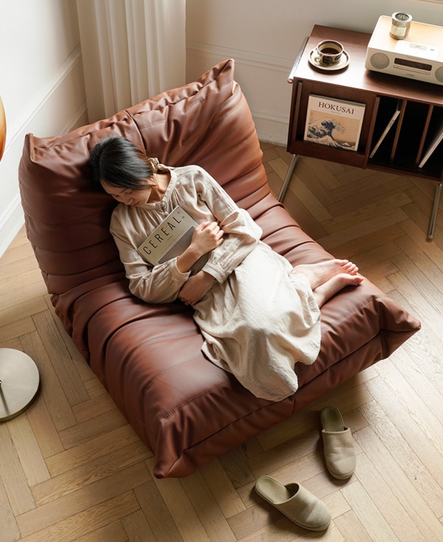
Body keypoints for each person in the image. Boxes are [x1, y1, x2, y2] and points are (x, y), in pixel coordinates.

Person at [89, 136, 363, 401]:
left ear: (146, 168)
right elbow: (141, 287)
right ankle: (303, 283)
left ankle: (309, 284)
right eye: (115, 195)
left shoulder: (192, 179)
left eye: (129, 189)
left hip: (239, 259)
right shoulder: (121, 222)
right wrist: (191, 255)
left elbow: (243, 229)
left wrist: (208, 276)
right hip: (200, 292)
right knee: (249, 338)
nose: (126, 199)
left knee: (261, 326)